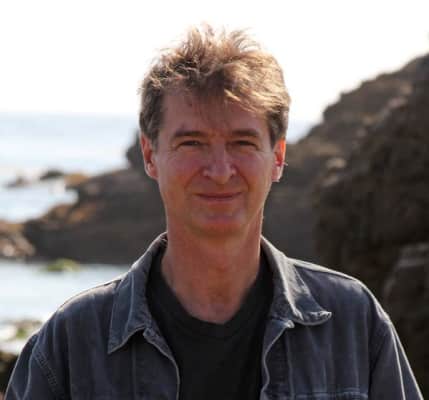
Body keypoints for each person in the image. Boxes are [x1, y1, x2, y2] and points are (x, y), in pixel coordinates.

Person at [6, 25, 422, 399]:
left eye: (242, 143)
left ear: (278, 157)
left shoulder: (352, 324)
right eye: (192, 143)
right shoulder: (73, 343)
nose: (220, 171)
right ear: (150, 155)